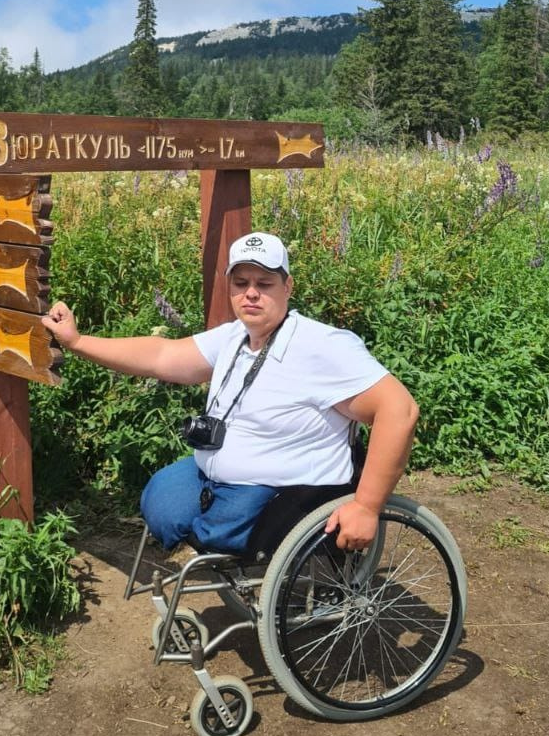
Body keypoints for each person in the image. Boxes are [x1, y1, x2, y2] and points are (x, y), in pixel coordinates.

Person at [40, 231, 418, 556]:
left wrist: (367, 507)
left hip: (280, 494)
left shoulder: (322, 347)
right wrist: (77, 342)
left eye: (264, 284)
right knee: (163, 503)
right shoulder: (235, 336)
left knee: (209, 534)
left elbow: (398, 410)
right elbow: (162, 355)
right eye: (241, 284)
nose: (251, 294)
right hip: (213, 476)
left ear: (288, 287)